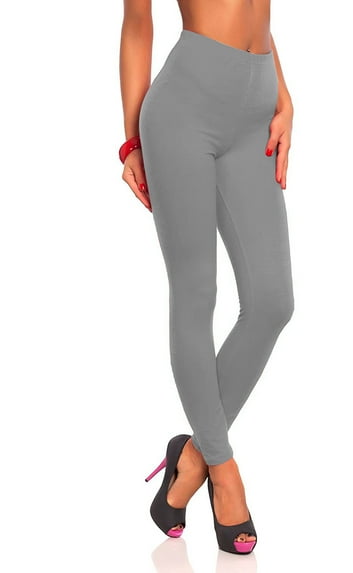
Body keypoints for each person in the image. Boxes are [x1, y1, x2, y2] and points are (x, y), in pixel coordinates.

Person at [119, 0, 295, 555]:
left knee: (272, 301)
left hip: (258, 102)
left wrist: (284, 96)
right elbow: (138, 23)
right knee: (197, 292)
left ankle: (191, 456)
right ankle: (223, 470)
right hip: (185, 108)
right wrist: (131, 142)